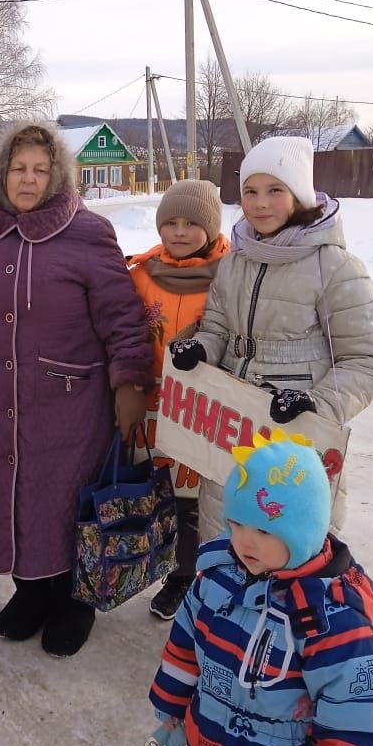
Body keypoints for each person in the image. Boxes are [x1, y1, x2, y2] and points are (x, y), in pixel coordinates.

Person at [0, 122, 153, 657]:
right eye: (18, 168)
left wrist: (131, 379)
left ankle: (74, 600)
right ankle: (31, 591)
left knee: (63, 502)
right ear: (2, 174)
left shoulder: (88, 233)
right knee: (10, 499)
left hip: (69, 405)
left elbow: (122, 313)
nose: (28, 179)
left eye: (40, 170)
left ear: (58, 175)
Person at [148, 429, 373, 746]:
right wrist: (170, 703)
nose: (244, 540)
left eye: (263, 528)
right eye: (237, 522)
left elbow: (354, 717)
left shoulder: (328, 619)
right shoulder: (217, 575)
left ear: (305, 530)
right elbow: (185, 642)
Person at [169, 136, 373, 540]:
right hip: (231, 423)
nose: (260, 203)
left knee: (288, 546)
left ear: (299, 195)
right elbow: (218, 329)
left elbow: (368, 360)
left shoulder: (335, 266)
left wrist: (318, 404)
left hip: (296, 432)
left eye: (275, 190)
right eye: (250, 191)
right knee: (227, 536)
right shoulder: (235, 262)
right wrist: (200, 349)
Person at [126, 179, 230, 621]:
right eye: (171, 222)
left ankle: (185, 577)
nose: (180, 232)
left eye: (191, 223)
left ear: (210, 228)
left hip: (200, 410)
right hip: (150, 403)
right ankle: (148, 565)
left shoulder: (232, 275)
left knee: (192, 502)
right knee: (155, 492)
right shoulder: (140, 274)